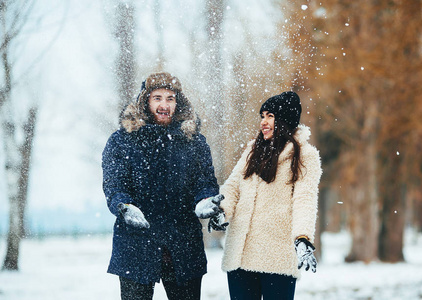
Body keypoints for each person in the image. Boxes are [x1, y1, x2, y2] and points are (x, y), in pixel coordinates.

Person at [102, 72, 223, 300]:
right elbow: (114, 183)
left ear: (178, 102)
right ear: (146, 101)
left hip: (183, 245)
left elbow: (205, 182)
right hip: (137, 245)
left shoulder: (194, 142)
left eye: (170, 98)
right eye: (157, 98)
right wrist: (124, 206)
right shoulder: (122, 140)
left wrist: (206, 200)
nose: (164, 104)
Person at [210, 91, 322, 299]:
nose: (263, 122)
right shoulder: (254, 149)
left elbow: (304, 200)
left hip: (276, 256)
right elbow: (234, 185)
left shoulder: (305, 155)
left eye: (270, 116)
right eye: (262, 116)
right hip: (240, 255)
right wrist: (222, 211)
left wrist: (302, 238)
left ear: (284, 120)